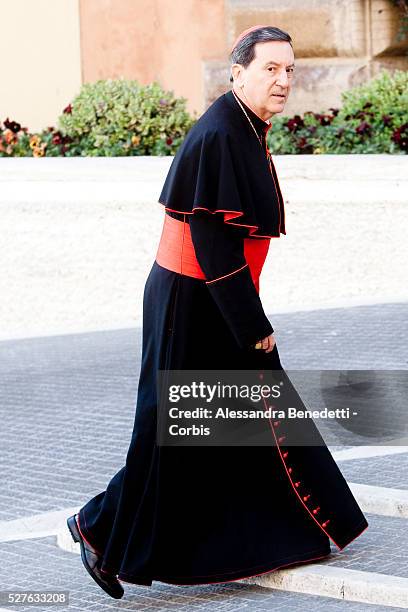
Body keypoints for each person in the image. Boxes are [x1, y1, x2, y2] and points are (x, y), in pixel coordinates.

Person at [67, 25, 368, 599]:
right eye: (270, 69)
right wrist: (253, 327)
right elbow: (213, 246)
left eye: (289, 70)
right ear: (238, 73)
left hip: (211, 298)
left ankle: (276, 532)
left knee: (237, 424)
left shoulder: (243, 126)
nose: (282, 80)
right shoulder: (223, 134)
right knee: (174, 433)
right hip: (192, 303)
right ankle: (98, 529)